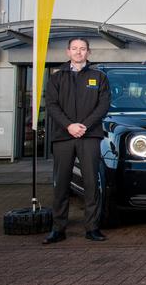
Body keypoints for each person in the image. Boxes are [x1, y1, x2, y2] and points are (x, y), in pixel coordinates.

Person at [42, 37, 111, 244]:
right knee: (61, 183)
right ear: (68, 52)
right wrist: (69, 126)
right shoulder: (57, 77)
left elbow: (103, 105)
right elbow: (51, 105)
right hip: (63, 137)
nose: (78, 52)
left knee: (91, 183)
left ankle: (92, 228)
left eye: (82, 49)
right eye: (74, 48)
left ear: (88, 52)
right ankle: (58, 229)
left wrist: (85, 126)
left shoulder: (99, 77)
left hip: (89, 136)